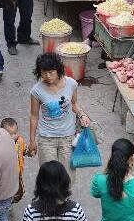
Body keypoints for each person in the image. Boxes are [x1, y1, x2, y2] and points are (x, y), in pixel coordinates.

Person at [29, 53, 90, 182]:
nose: (47, 76)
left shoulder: (71, 84)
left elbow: (73, 104)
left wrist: (82, 114)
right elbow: (34, 116)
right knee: (49, 176)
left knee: (67, 175)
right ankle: (50, 200)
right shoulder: (36, 91)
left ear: (58, 70)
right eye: (44, 73)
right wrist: (32, 140)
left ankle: (64, 200)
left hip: (67, 138)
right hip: (46, 139)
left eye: (51, 72)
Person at [0, 117, 26, 203]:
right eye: (9, 134)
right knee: (6, 191)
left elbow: (23, 150)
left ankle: (13, 200)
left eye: (15, 133)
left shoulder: (20, 140)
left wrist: (29, 152)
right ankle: (7, 203)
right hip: (6, 175)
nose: (13, 136)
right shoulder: (1, 145)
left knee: (20, 192)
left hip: (18, 173)